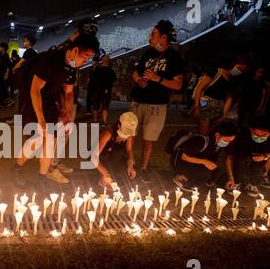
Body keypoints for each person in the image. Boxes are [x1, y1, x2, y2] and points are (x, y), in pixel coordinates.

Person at [12, 34, 100, 189]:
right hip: (31, 99)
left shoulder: (72, 66)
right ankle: (16, 169)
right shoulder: (50, 61)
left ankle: (41, 178)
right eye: (85, 57)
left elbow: (68, 92)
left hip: (49, 102)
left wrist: (66, 111)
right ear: (75, 50)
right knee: (39, 138)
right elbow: (35, 90)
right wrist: (41, 120)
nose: (86, 61)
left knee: (50, 141)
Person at [130, 20, 184, 183]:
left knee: (149, 137)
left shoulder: (174, 57)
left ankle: (144, 167)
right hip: (138, 100)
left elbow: (178, 84)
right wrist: (138, 79)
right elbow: (135, 72)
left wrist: (158, 78)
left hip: (157, 104)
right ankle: (129, 161)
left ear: (164, 37)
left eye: (153, 34)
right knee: (129, 133)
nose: (149, 37)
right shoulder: (148, 53)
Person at [171, 121, 237, 192]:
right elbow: (184, 156)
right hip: (180, 162)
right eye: (226, 140)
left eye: (230, 141)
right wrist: (205, 162)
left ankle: (202, 183)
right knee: (205, 171)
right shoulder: (201, 140)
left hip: (195, 163)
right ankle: (181, 178)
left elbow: (211, 161)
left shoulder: (216, 145)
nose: (227, 143)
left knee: (217, 170)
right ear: (217, 135)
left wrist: (228, 179)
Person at [192, 55, 249, 135]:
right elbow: (199, 89)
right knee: (203, 134)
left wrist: (224, 115)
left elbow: (229, 98)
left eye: (241, 71)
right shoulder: (216, 72)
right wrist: (197, 106)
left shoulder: (232, 80)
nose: (239, 72)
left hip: (219, 107)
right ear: (233, 63)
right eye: (239, 68)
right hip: (206, 104)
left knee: (213, 134)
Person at [225, 116, 270, 197]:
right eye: (256, 134)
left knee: (259, 163)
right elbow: (229, 158)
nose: (259, 138)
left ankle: (253, 183)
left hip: (261, 155)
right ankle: (236, 181)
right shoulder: (240, 136)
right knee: (240, 159)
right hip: (243, 153)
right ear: (250, 129)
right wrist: (230, 178)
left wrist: (265, 156)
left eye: (264, 135)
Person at [94, 112, 138, 190]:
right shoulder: (108, 134)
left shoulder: (129, 134)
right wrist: (105, 173)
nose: (125, 136)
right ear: (119, 125)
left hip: (115, 158)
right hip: (100, 157)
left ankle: (111, 175)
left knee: (128, 171)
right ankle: (102, 176)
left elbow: (129, 150)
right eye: (124, 132)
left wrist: (130, 165)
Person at [91, 55, 117, 127]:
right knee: (105, 107)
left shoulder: (97, 70)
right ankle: (104, 122)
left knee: (96, 106)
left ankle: (95, 121)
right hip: (107, 91)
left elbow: (93, 80)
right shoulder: (111, 70)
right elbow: (114, 81)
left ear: (102, 60)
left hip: (97, 90)